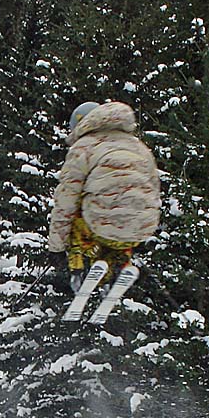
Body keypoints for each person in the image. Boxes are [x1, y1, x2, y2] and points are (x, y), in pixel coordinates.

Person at [47, 101, 160, 290]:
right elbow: (154, 189)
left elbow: (66, 201)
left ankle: (79, 273)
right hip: (139, 230)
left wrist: (56, 248)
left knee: (80, 219)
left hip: (99, 227)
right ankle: (118, 268)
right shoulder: (139, 147)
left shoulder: (83, 148)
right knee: (116, 230)